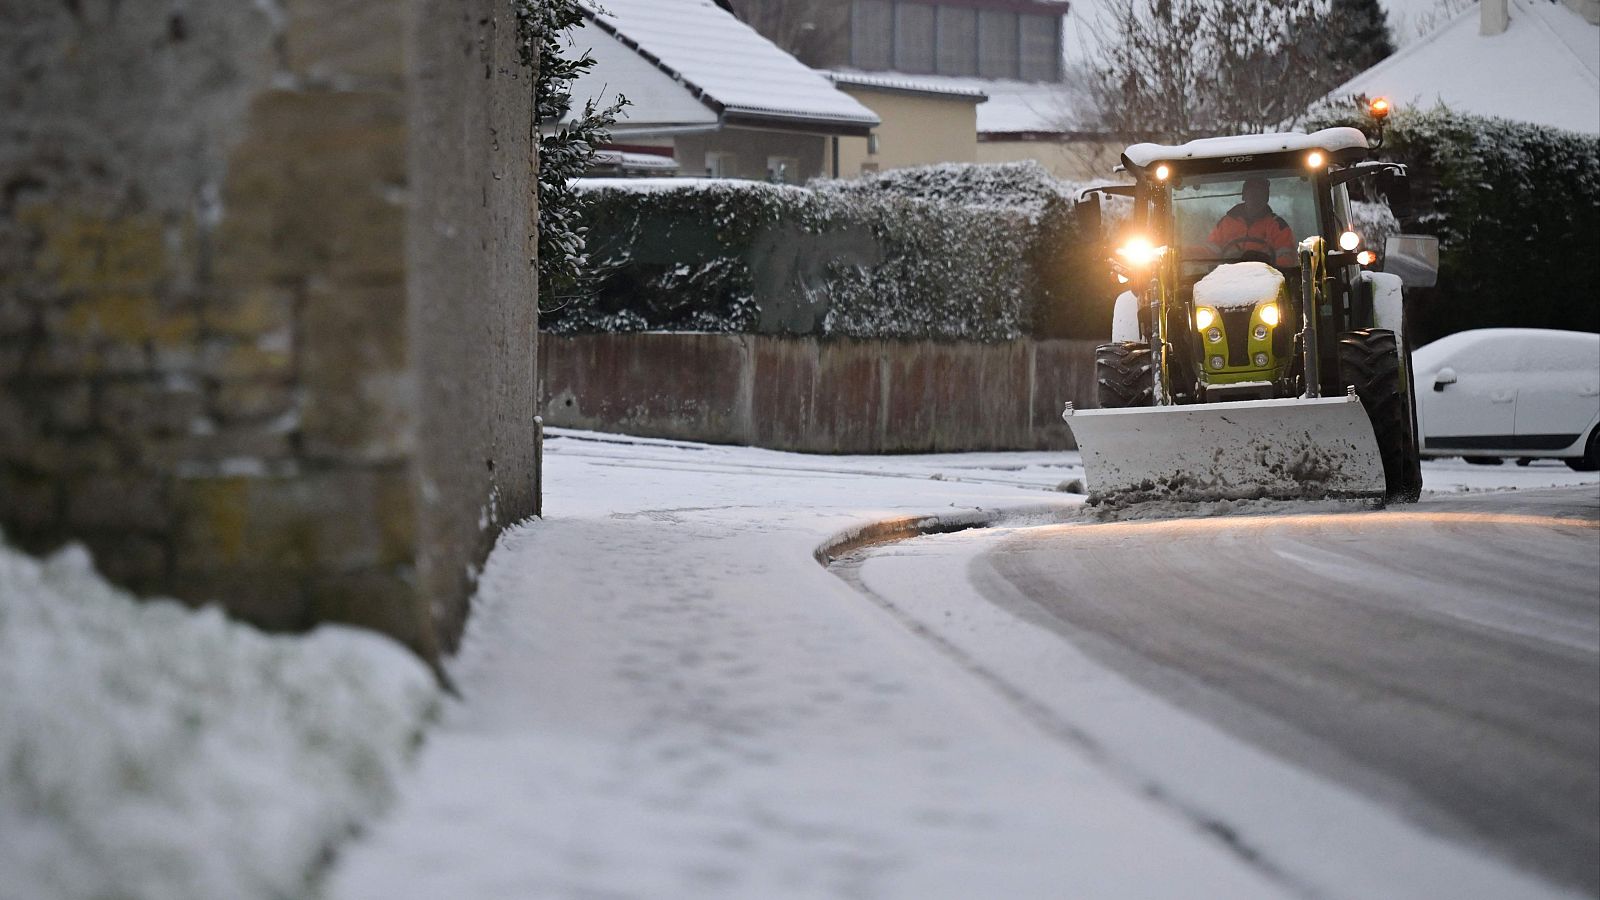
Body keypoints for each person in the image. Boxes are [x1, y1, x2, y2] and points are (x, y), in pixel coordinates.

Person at [1207, 177, 1297, 268]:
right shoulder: (1225, 223)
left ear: (1266, 198)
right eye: (1252, 194)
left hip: (1266, 278)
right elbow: (1209, 253)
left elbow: (1288, 259)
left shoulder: (1277, 226)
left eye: (1260, 195)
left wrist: (1265, 265)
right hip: (1227, 277)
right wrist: (1192, 255)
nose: (1255, 199)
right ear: (1244, 196)